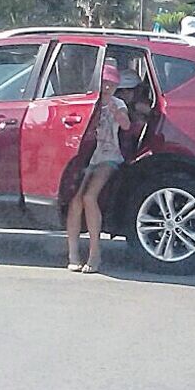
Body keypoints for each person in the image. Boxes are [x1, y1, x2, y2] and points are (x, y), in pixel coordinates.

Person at [66, 64, 131, 273]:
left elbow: (126, 125)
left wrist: (115, 110)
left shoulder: (118, 103)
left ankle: (95, 253)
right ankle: (73, 253)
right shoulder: (89, 103)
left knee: (89, 197)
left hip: (109, 157)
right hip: (88, 156)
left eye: (111, 84)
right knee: (76, 199)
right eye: (104, 83)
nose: (107, 87)